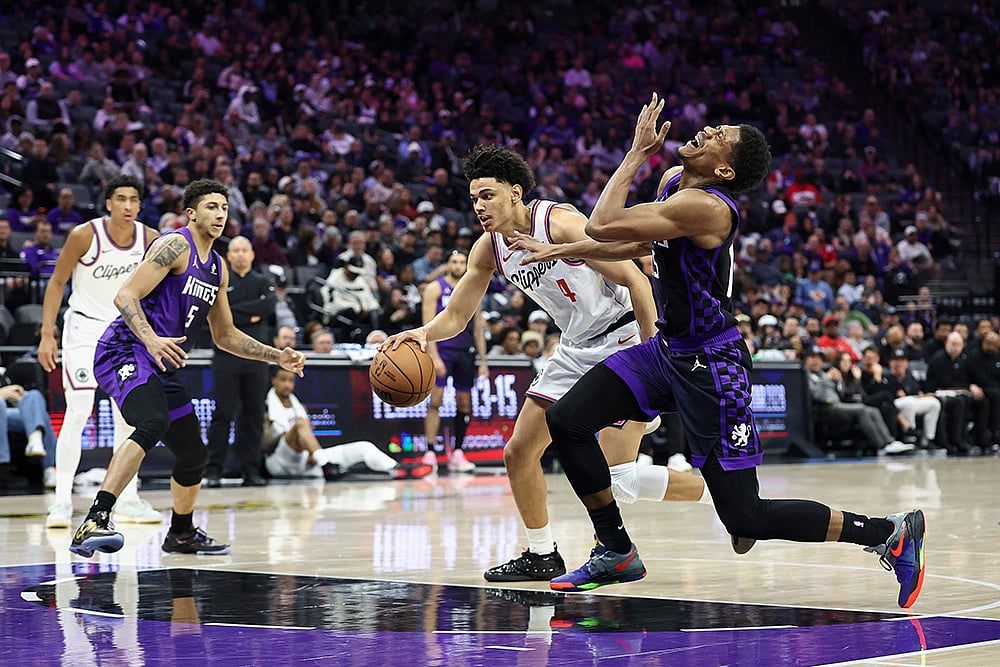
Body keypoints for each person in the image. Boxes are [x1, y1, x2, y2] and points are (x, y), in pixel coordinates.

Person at [523, 96, 924, 608]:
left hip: (713, 363)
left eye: (719, 136)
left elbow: (603, 224)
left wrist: (634, 155)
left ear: (725, 168)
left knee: (745, 517)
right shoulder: (675, 184)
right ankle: (616, 549)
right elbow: (640, 244)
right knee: (571, 419)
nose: (708, 129)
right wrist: (568, 250)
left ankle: (887, 532)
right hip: (669, 349)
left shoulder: (708, 207)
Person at [383, 143, 719, 585]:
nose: (479, 206)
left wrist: (653, 353)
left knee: (621, 480)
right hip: (575, 347)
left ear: (515, 193)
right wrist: (424, 333)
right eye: (473, 199)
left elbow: (637, 280)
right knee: (519, 452)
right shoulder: (489, 249)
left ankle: (719, 494)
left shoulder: (559, 224)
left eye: (488, 195)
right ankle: (541, 554)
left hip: (623, 338)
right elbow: (459, 314)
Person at [68, 179, 306, 558]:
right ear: (192, 213)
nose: (220, 214)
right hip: (125, 350)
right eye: (211, 206)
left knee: (194, 454)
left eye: (224, 208)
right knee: (152, 422)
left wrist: (275, 355)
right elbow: (125, 294)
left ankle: (180, 533)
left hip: (163, 364)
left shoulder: (218, 267)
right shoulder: (174, 245)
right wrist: (150, 338)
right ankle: (95, 519)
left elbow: (225, 335)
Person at [38, 176, 161, 529]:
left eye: (133, 200)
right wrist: (48, 334)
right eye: (120, 199)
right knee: (77, 412)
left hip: (124, 333)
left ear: (139, 205)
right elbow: (57, 281)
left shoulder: (150, 239)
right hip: (84, 330)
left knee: (129, 416)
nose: (127, 206)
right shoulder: (84, 235)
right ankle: (62, 501)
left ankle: (127, 497)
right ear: (108, 203)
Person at [205, 236, 275, 488]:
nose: (241, 254)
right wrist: (250, 314)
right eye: (236, 250)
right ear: (229, 256)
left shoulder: (263, 281)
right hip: (226, 357)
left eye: (245, 249)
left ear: (253, 254)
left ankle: (251, 470)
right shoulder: (221, 282)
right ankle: (213, 470)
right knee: (222, 414)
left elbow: (267, 308)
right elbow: (216, 314)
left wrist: (234, 315)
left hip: (256, 359)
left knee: (254, 416)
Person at [263, 368, 422, 479]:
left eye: (291, 380)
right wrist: (295, 434)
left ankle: (395, 469)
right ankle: (325, 464)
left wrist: (311, 451)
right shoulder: (265, 407)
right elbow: (264, 445)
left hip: (307, 460)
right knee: (300, 424)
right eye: (282, 380)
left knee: (363, 447)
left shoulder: (298, 406)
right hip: (279, 461)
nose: (287, 384)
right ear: (273, 380)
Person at [420, 249, 489, 474]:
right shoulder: (435, 288)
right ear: (447, 264)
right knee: (436, 401)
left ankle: (457, 452)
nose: (458, 266)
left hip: (465, 352)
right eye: (454, 262)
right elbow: (427, 324)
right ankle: (430, 451)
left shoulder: (472, 287)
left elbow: (478, 328)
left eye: (462, 262)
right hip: (443, 350)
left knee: (464, 402)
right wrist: (434, 355)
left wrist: (484, 361)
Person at [0, 374, 57, 489]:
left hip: (7, 413)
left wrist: (19, 397)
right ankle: (2, 466)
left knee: (33, 396)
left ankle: (36, 441)